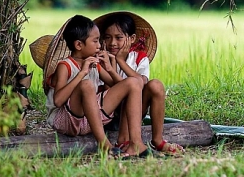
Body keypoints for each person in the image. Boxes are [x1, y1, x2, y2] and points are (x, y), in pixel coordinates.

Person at [44, 14, 152, 158]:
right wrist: (82, 73)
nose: (100, 45)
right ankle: (104, 144)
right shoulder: (65, 66)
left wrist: (109, 67)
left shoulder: (95, 64)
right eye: (95, 41)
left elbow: (122, 88)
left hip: (91, 119)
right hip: (67, 121)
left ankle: (135, 143)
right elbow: (58, 101)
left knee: (133, 82)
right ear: (78, 45)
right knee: (86, 85)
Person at [95, 11, 185, 156]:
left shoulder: (139, 58)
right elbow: (109, 89)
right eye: (107, 38)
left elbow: (141, 82)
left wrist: (120, 61)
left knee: (156, 85)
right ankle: (124, 140)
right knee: (129, 90)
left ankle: (157, 140)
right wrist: (110, 66)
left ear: (132, 38)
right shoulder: (100, 59)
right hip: (108, 113)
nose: (112, 43)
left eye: (119, 38)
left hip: (134, 111)